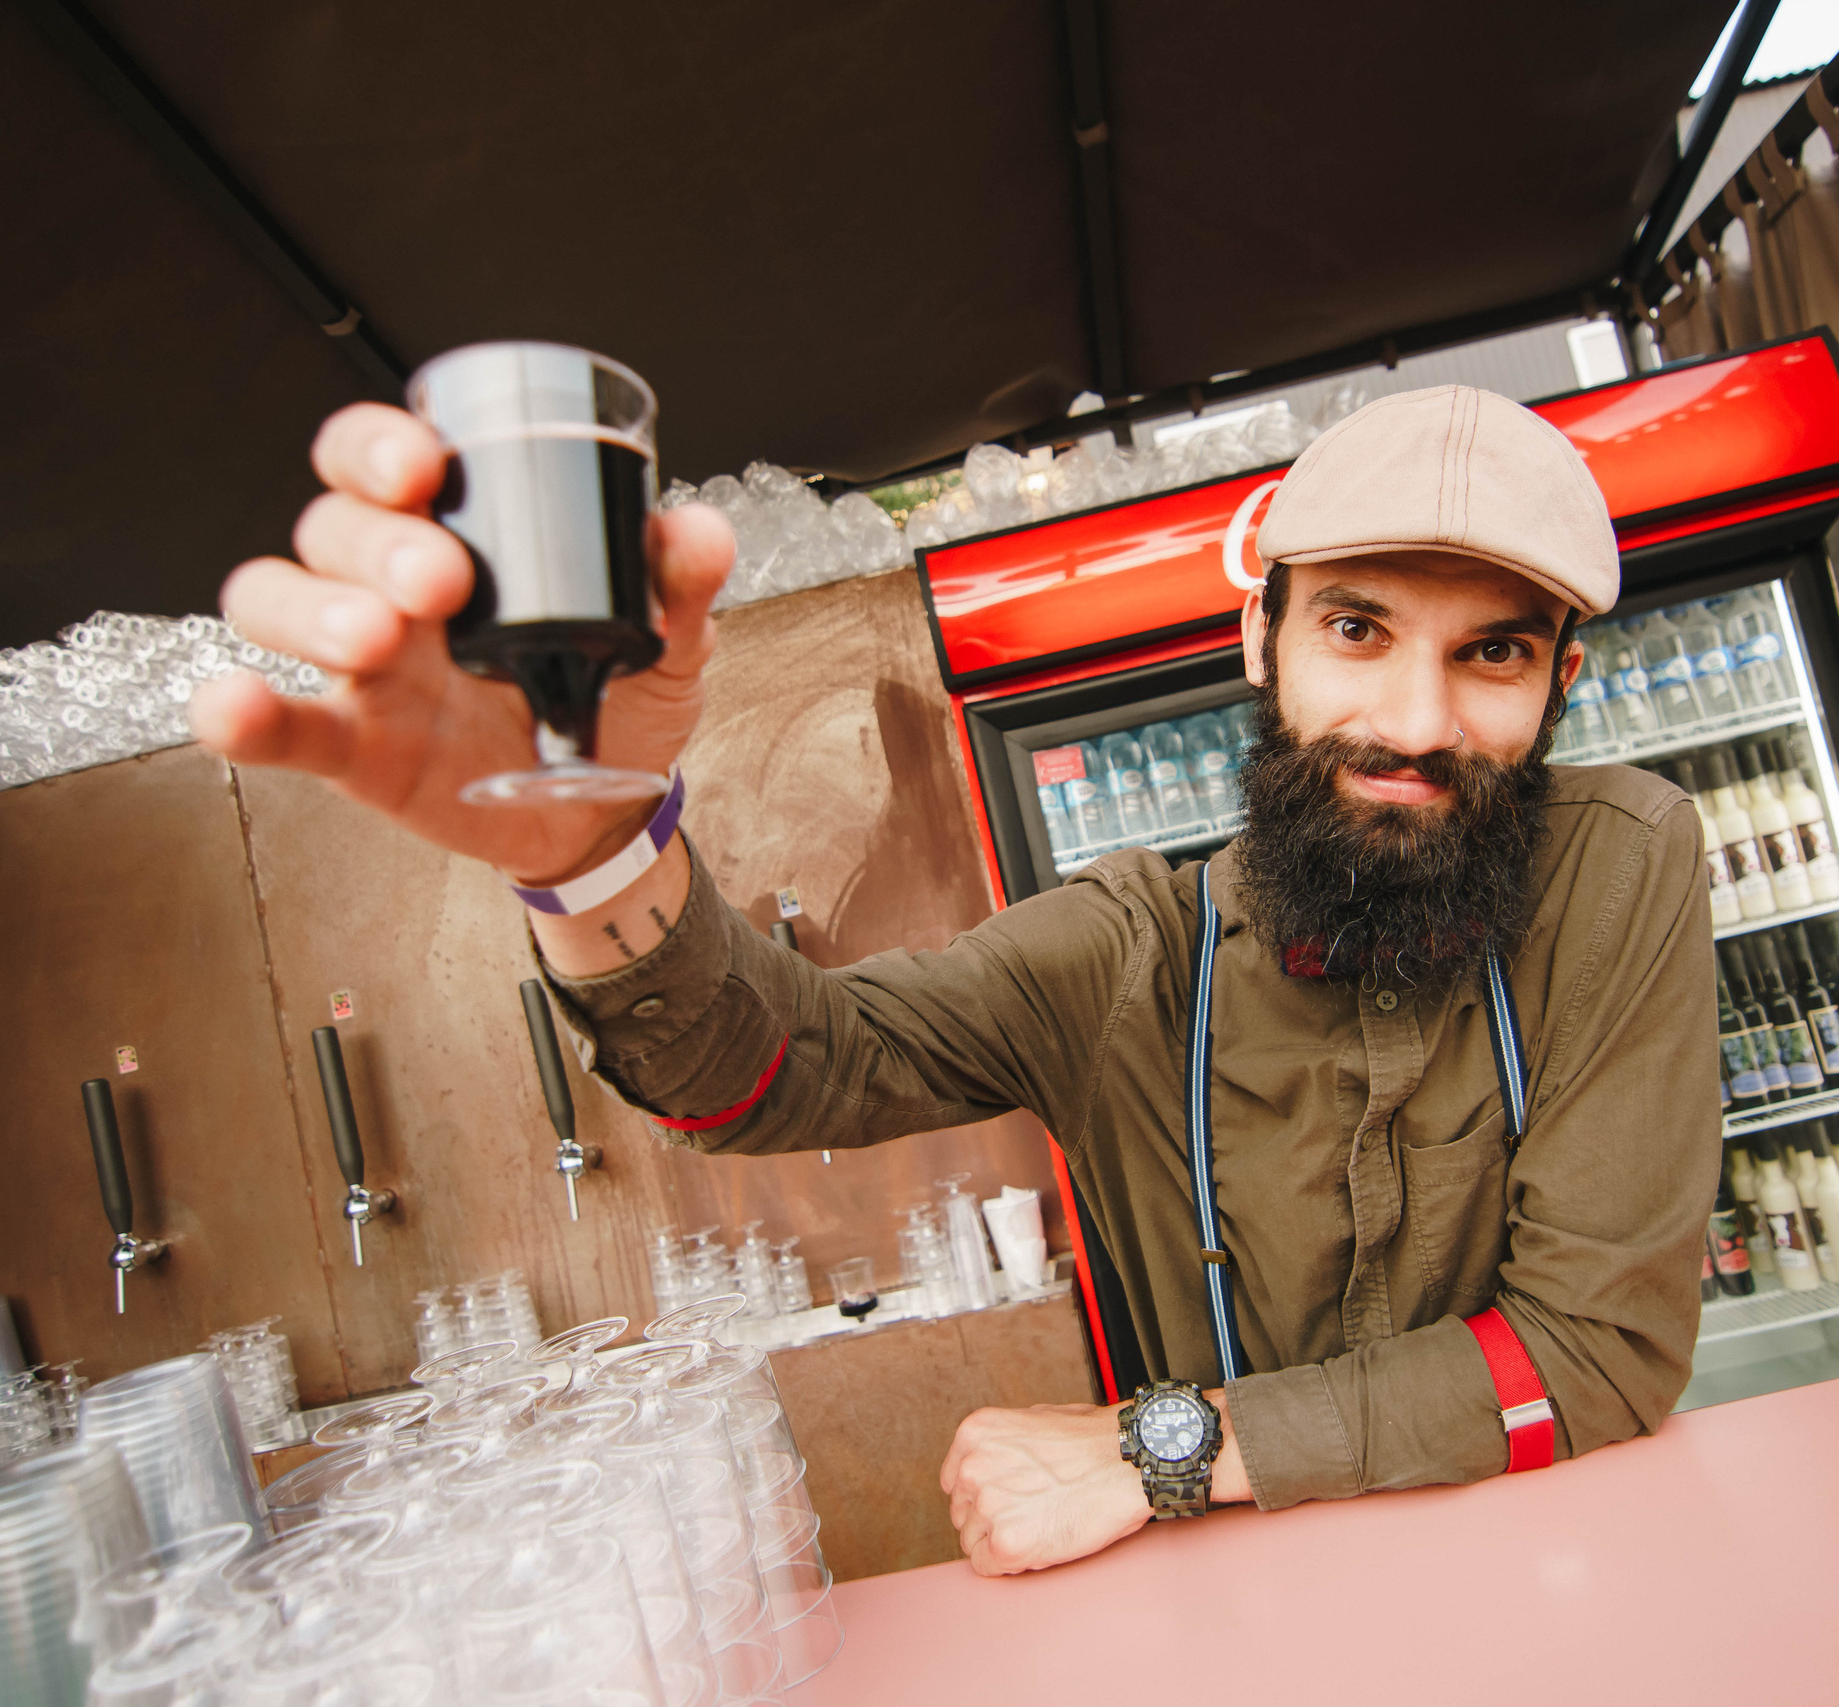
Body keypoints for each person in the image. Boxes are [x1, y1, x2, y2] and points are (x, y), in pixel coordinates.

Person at [191, 383, 1716, 1577]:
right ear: (1260, 636)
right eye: (1358, 629)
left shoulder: (1622, 867)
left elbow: (1597, 1353)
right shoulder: (1121, 957)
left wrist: (1149, 1454)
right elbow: (774, 1069)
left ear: (1562, 681)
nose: (1417, 720)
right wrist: (590, 854)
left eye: (1495, 657)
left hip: (1566, 1572)